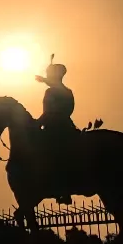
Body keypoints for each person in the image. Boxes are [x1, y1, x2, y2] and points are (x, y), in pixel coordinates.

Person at [35, 56, 76, 204]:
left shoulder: (53, 92)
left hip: (56, 130)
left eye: (49, 73)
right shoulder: (66, 91)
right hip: (66, 127)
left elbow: (49, 112)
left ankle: (57, 187)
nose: (47, 76)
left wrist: (37, 123)